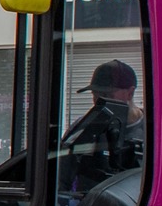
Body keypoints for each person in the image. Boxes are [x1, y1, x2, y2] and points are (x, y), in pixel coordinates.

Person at [60, 60, 144, 196]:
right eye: (95, 95)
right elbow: (60, 177)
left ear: (130, 93)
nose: (99, 102)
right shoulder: (82, 129)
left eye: (106, 95)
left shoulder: (156, 133)